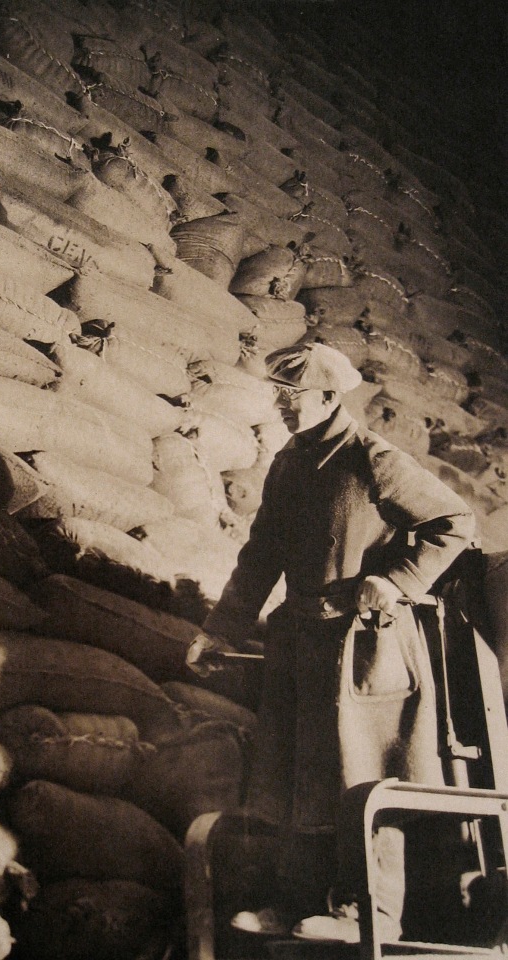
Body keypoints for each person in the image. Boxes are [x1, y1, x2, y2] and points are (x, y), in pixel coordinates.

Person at [188, 341, 476, 943]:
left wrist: (394, 580)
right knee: (294, 780)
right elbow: (260, 555)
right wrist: (221, 629)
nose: (285, 409)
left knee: (362, 779)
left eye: (295, 399)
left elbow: (453, 522)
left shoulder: (374, 458)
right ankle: (293, 904)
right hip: (299, 642)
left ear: (329, 396)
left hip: (365, 644)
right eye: (280, 398)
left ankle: (365, 914)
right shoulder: (289, 464)